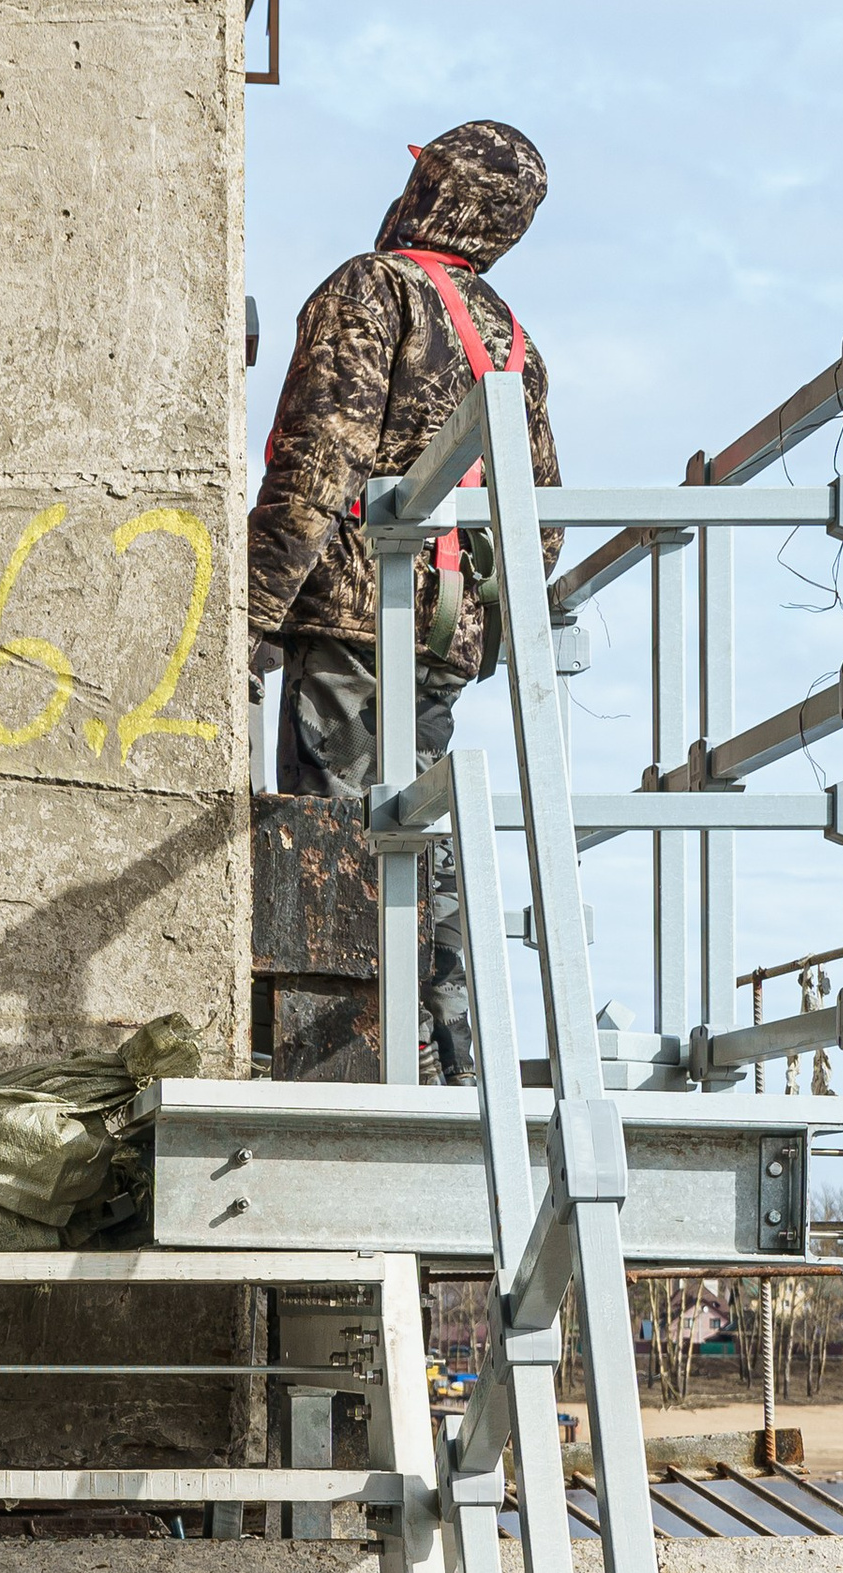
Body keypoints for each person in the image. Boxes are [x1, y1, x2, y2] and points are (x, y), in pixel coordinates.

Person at [247, 119, 561, 1081]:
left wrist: (256, 611)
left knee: (336, 836)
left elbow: (316, 462)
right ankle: (458, 1057)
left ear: (435, 187)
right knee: (422, 817)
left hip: (348, 621)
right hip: (444, 632)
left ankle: (355, 1067)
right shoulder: (511, 339)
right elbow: (539, 524)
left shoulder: (370, 293)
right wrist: (476, 624)